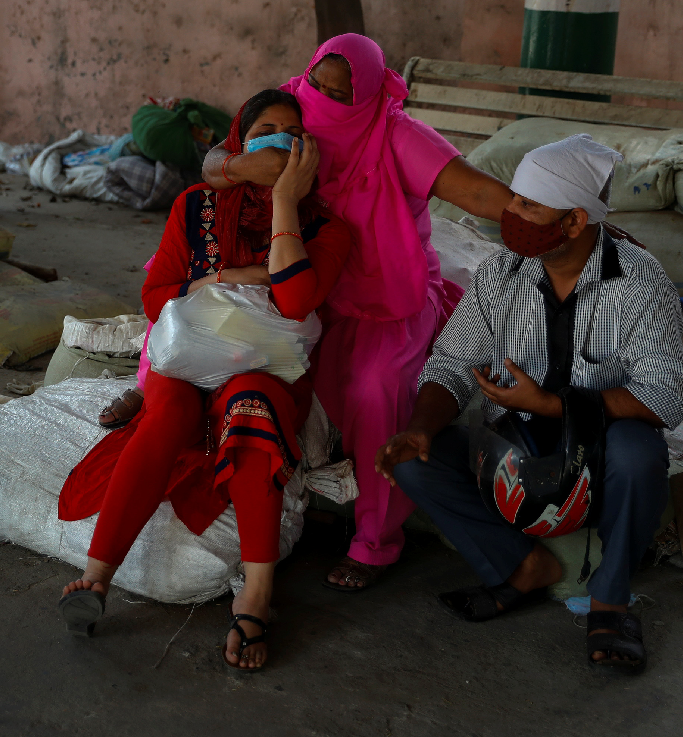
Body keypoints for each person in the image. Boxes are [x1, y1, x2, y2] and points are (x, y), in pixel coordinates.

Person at [188, 34, 513, 591]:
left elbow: (481, 197)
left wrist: (548, 220)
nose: (321, 99)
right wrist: (243, 167)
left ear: (366, 95)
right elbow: (213, 162)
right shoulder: (288, 110)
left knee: (374, 386)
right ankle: (290, 501)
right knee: (237, 362)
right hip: (302, 284)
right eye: (316, 82)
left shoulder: (396, 137)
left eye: (339, 93)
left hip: (386, 298)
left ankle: (376, 541)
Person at [56, 89, 352, 672]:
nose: (279, 141)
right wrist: (229, 276)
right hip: (189, 362)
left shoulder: (329, 229)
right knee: (166, 412)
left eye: (293, 133)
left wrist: (285, 201)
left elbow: (294, 302)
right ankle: (96, 579)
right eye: (265, 128)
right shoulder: (194, 205)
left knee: (251, 406)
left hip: (270, 373)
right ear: (240, 142)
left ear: (309, 151)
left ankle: (258, 595)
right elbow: (156, 295)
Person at [377, 135, 683, 672]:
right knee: (411, 460)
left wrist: (551, 404)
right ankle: (522, 567)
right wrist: (422, 428)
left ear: (572, 222)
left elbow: (668, 397)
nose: (511, 213)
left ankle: (611, 601)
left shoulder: (640, 283)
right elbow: (453, 363)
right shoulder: (501, 276)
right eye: (515, 200)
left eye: (527, 205)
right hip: (515, 454)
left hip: (598, 459)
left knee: (639, 452)